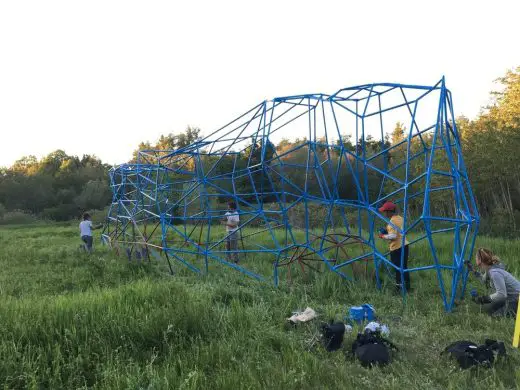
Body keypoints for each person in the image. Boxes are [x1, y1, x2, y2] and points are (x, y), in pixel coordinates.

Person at [471, 247, 520, 318]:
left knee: (495, 317)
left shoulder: (495, 273)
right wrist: (473, 270)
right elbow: (483, 280)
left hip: (517, 299)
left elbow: (501, 294)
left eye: (476, 258)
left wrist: (485, 298)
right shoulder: (490, 269)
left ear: (479, 260)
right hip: (510, 298)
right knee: (490, 310)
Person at [378, 201, 411, 292]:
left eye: (385, 211)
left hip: (397, 247)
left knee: (398, 268)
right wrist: (387, 230)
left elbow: (393, 236)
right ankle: (407, 287)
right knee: (404, 267)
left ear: (389, 211)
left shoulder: (392, 220)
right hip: (404, 245)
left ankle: (399, 288)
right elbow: (401, 231)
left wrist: (382, 236)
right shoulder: (400, 218)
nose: (384, 213)